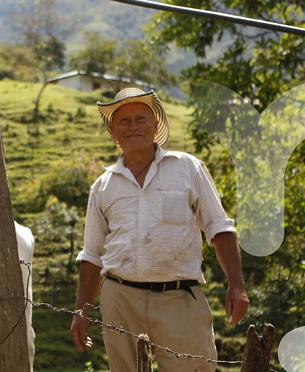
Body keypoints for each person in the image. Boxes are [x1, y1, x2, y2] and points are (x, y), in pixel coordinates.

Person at [70, 88, 249, 371]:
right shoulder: (103, 186)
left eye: (141, 118)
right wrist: (82, 312)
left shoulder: (187, 168)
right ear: (114, 133)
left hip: (179, 298)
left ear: (156, 125)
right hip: (121, 299)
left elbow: (219, 228)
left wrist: (236, 285)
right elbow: (93, 255)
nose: (133, 126)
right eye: (124, 121)